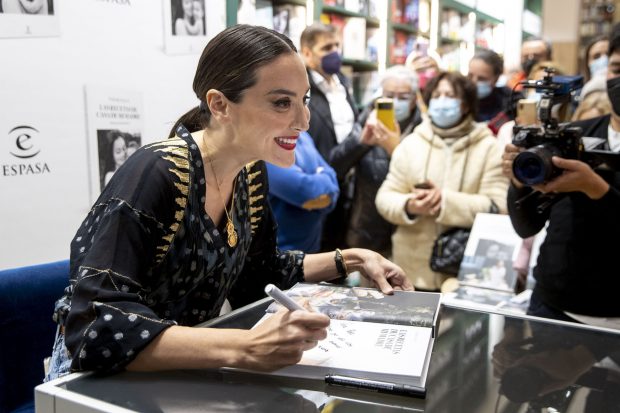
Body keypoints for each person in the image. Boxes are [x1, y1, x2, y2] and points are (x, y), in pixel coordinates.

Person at [45, 25, 412, 380]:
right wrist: (244, 347)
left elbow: (261, 272)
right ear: (220, 104)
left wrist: (352, 258)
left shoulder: (250, 174)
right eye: (281, 103)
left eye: (304, 101)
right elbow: (94, 326)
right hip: (99, 384)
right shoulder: (157, 171)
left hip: (182, 375)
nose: (303, 120)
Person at [501, 31, 620, 323]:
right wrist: (519, 183)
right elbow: (526, 225)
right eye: (617, 69)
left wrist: (595, 188)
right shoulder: (575, 134)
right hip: (551, 304)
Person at [375, 71, 508, 291]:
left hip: (465, 274)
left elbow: (498, 206)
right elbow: (385, 198)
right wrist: (409, 205)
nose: (442, 101)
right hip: (409, 272)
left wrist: (445, 202)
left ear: (465, 105)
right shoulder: (412, 144)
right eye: (437, 95)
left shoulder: (489, 147)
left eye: (450, 95)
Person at [330, 65, 422, 257]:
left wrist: (394, 150)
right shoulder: (368, 120)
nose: (396, 102)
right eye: (389, 95)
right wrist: (360, 142)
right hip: (368, 230)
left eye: (403, 97)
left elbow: (423, 182)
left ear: (415, 99)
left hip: (410, 233)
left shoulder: (424, 129)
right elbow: (335, 167)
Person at [300, 23, 359, 251]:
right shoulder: (302, 87)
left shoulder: (342, 80)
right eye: (326, 48)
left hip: (348, 178)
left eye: (337, 45)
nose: (334, 52)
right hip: (320, 176)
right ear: (307, 53)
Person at [266, 130, 339, 253]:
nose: (304, 120)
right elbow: (308, 195)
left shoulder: (303, 136)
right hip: (280, 254)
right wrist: (322, 177)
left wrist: (324, 192)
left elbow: (332, 177)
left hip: (312, 247)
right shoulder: (265, 144)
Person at [467, 49, 521, 135]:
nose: (473, 82)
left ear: (496, 78)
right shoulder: (459, 98)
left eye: (481, 78)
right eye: (470, 76)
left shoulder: (511, 100)